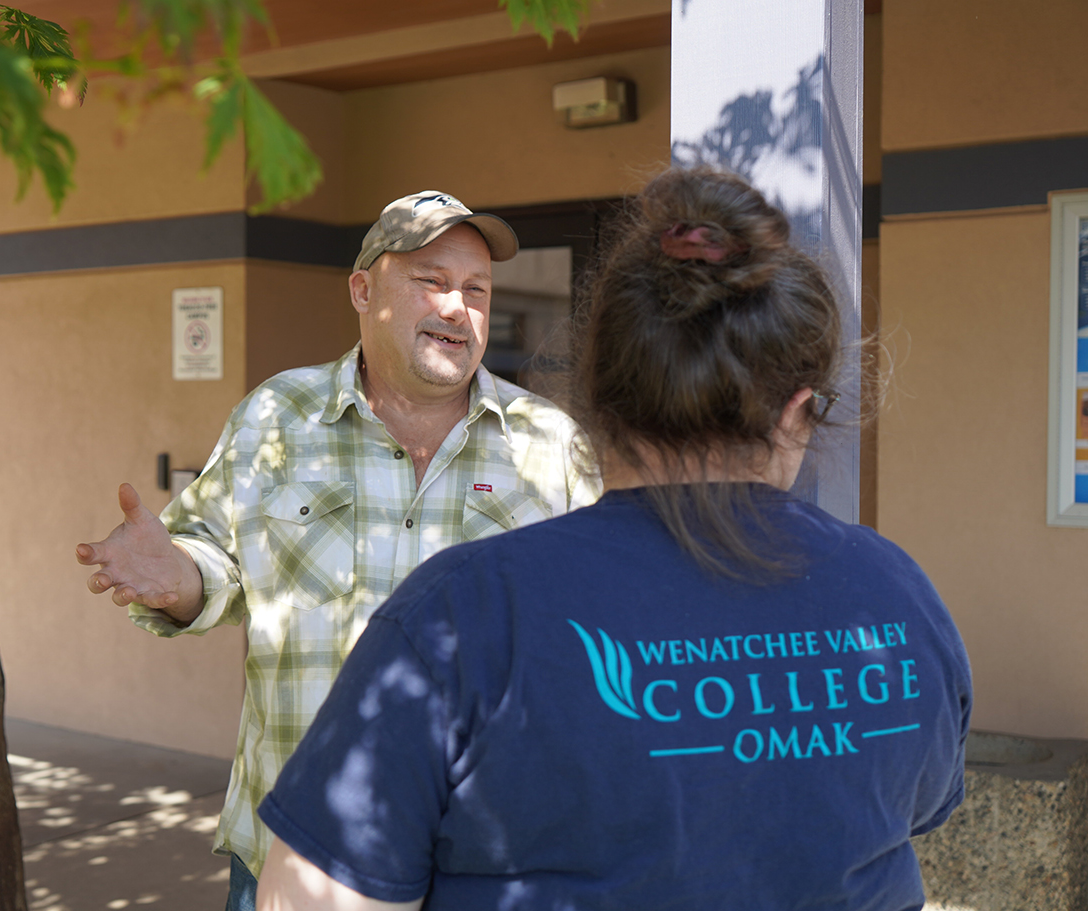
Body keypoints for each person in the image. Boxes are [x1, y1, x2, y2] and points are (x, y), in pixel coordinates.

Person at [254, 167, 973, 911]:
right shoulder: (896, 593)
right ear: (798, 410)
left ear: (597, 393)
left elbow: (309, 901)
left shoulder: (462, 617)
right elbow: (903, 808)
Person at [76, 190, 599, 908]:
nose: (457, 308)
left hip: (488, 861)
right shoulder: (275, 417)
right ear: (362, 289)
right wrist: (180, 576)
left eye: (476, 291)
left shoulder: (550, 444)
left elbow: (594, 626)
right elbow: (216, 565)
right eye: (431, 281)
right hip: (299, 853)